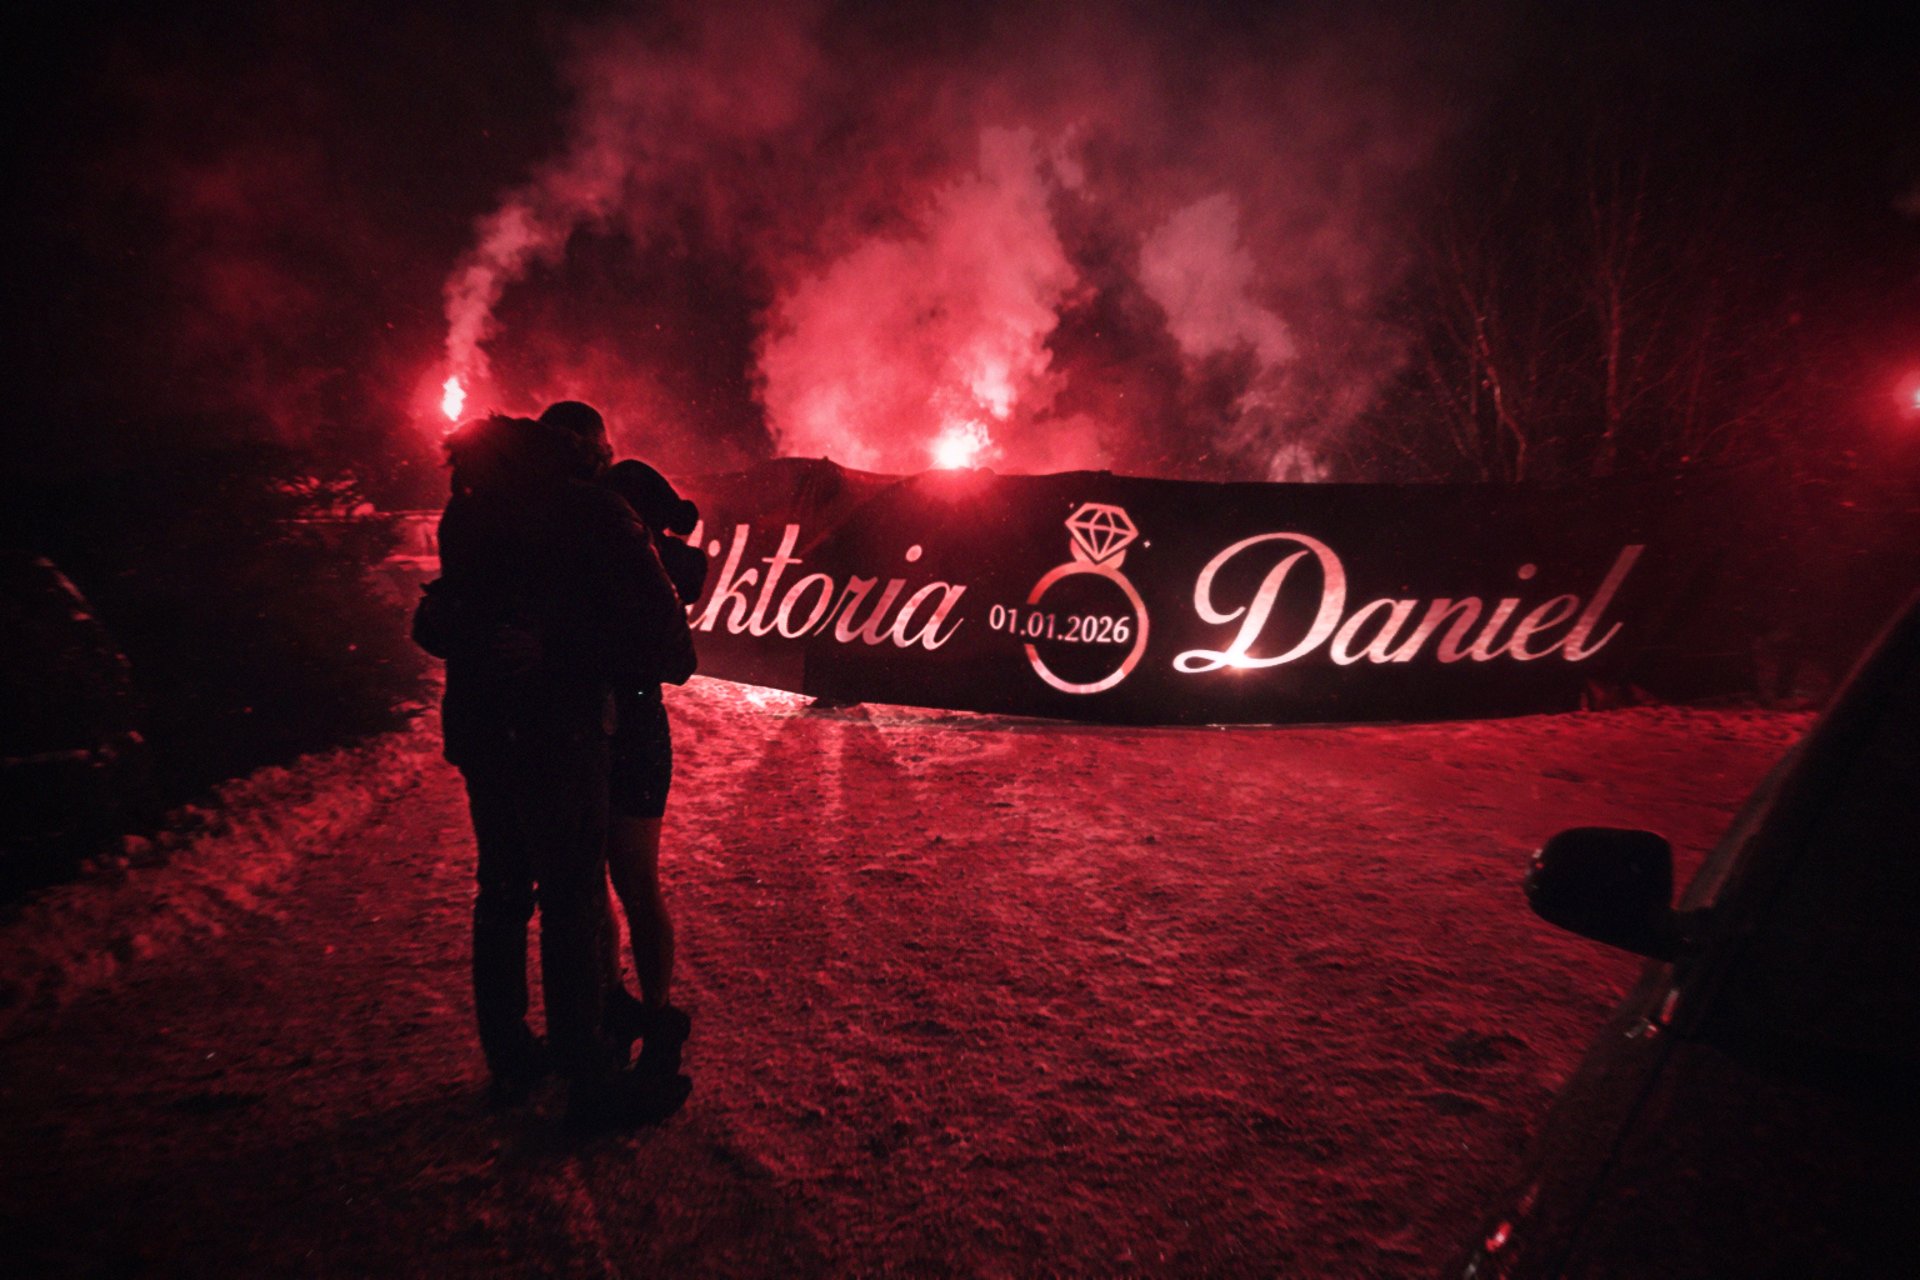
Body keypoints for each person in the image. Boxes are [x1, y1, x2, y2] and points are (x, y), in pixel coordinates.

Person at [413, 407, 694, 1131]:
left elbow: (455, 621)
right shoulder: (589, 511)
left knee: (503, 894)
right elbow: (667, 643)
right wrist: (567, 652)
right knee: (571, 902)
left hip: (484, 737)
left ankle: (511, 1057)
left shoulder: (466, 513)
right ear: (578, 453)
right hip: (560, 738)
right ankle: (592, 1083)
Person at [598, 458, 708, 1083]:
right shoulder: (607, 524)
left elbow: (676, 657)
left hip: (631, 724)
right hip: (617, 725)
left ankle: (652, 1013)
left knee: (630, 880)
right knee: (607, 882)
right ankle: (622, 1006)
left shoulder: (636, 548)